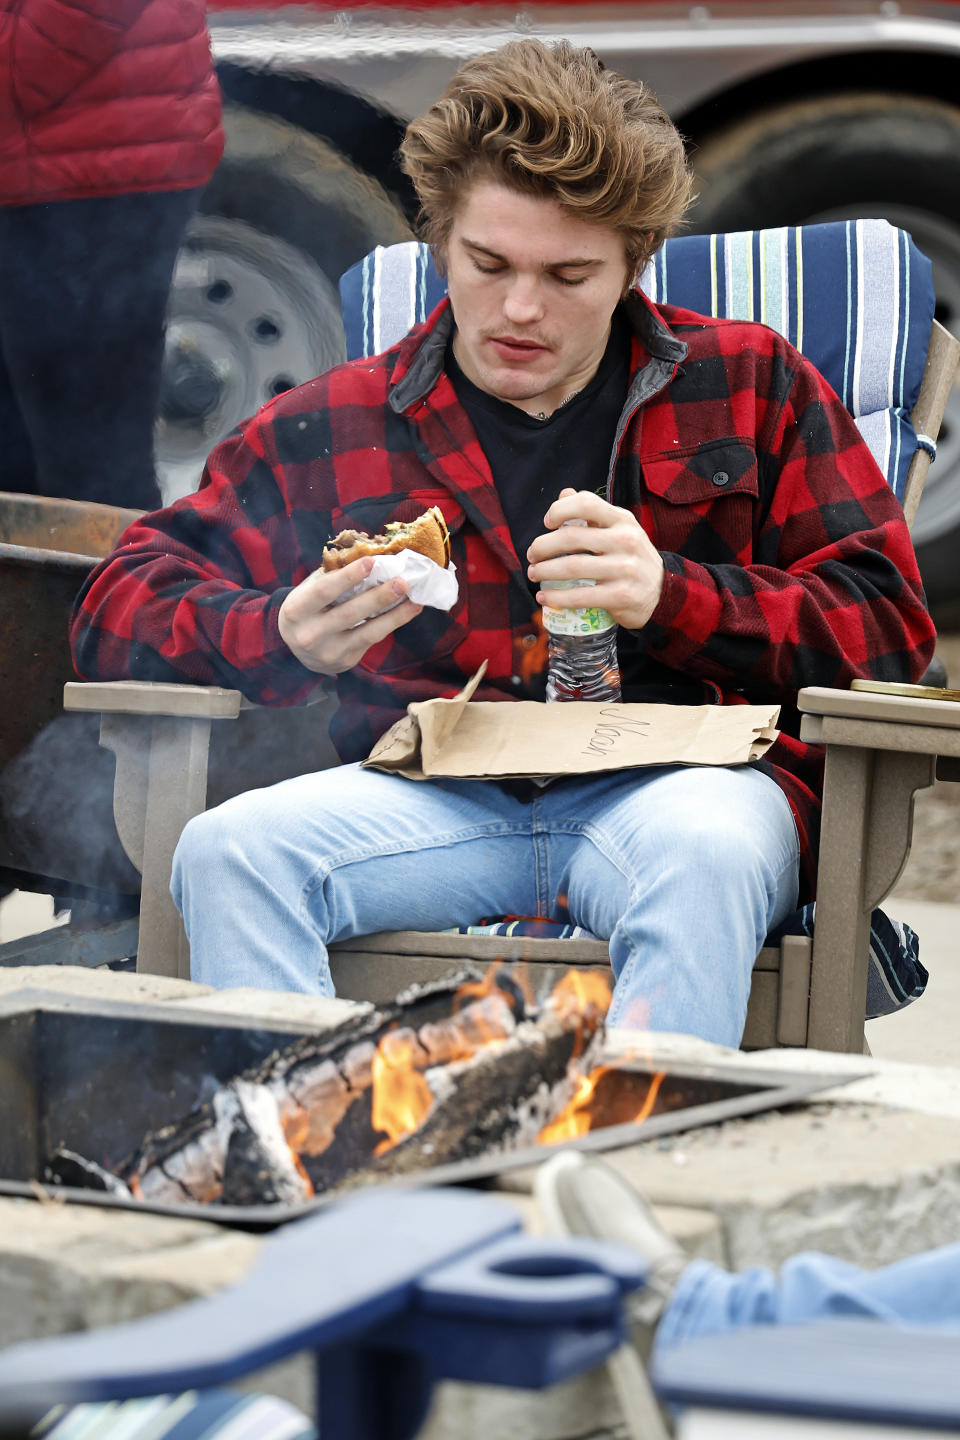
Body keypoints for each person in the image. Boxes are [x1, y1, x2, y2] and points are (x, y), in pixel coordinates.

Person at [70, 40, 936, 1044]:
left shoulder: (748, 383)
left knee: (701, 856)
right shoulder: (341, 420)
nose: (521, 310)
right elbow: (118, 605)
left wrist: (675, 595)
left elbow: (888, 629)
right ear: (443, 244)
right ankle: (323, 1164)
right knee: (230, 852)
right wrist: (279, 630)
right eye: (490, 265)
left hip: (687, 793)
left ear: (632, 266)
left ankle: (636, 1176)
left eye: (569, 274)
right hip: (439, 800)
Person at [0, 0, 223, 509]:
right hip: (37, 163)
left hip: (89, 171)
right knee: (22, 453)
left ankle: (119, 586)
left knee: (90, 461)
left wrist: (13, 68)